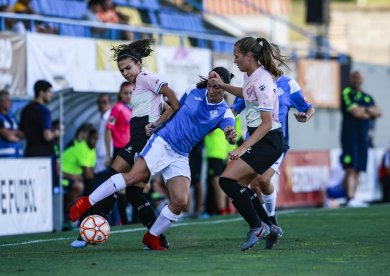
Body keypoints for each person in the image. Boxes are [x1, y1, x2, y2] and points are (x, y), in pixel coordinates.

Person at [69, 67, 238, 251]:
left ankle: (152, 236)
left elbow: (232, 134)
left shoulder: (224, 112)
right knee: (132, 177)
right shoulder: (193, 91)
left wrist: (231, 134)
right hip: (162, 141)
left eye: (217, 87)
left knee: (180, 201)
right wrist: (157, 124)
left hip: (181, 154)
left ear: (225, 88)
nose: (212, 90)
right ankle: (85, 202)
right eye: (210, 85)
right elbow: (173, 109)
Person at [70, 39, 179, 248]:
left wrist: (161, 122)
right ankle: (157, 237)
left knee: (115, 180)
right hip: (136, 140)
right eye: (122, 70)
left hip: (143, 142)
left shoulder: (146, 77)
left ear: (139, 64)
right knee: (131, 191)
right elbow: (165, 107)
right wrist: (158, 121)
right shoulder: (139, 85)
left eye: (128, 68)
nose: (125, 72)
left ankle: (89, 228)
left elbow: (172, 98)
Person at [208, 37, 287, 251]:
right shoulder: (250, 75)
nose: (234, 61)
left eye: (237, 56)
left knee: (226, 181)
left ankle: (257, 227)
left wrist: (242, 147)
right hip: (263, 140)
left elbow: (266, 123)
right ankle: (269, 226)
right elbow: (246, 93)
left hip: (269, 140)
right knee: (239, 184)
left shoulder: (262, 81)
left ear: (249, 56)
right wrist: (224, 86)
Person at [231, 56, 314, 249]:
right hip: (254, 141)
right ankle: (264, 225)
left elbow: (308, 107)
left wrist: (305, 116)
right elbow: (236, 106)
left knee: (263, 180)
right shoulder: (251, 79)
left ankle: (271, 220)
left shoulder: (288, 84)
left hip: (277, 143)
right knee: (251, 185)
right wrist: (227, 122)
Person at [340, 71, 382, 208]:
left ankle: (353, 197)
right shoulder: (347, 92)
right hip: (350, 137)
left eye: (359, 78)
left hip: (363, 139)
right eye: (355, 78)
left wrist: (365, 111)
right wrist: (368, 112)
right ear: (351, 79)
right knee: (350, 168)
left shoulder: (367, 97)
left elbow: (379, 112)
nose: (357, 80)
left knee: (358, 169)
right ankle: (349, 198)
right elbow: (356, 113)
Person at [105, 82, 133, 225]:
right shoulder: (117, 108)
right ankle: (124, 220)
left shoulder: (133, 108)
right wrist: (108, 153)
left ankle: (133, 219)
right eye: (125, 93)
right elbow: (108, 129)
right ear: (120, 94)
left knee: (134, 184)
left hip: (133, 150)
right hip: (121, 151)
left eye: (130, 93)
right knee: (120, 186)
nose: (128, 96)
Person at [61, 124, 97, 229]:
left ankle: (80, 217)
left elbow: (90, 171)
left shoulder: (90, 149)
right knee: (81, 186)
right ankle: (66, 214)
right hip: (63, 177)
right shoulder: (79, 147)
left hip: (73, 177)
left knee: (89, 186)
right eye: (90, 135)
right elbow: (87, 173)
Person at [20, 80, 60, 157]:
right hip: (43, 154)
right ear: (41, 93)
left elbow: (22, 134)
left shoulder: (25, 110)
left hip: (29, 152)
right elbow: (47, 136)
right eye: (49, 92)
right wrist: (56, 133)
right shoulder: (44, 111)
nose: (51, 95)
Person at [0, 90, 24, 158]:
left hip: (17, 158)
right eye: (8, 100)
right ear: (0, 102)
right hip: (0, 159)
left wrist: (12, 132)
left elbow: (23, 134)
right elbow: (9, 137)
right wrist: (17, 134)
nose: (10, 103)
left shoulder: (12, 119)